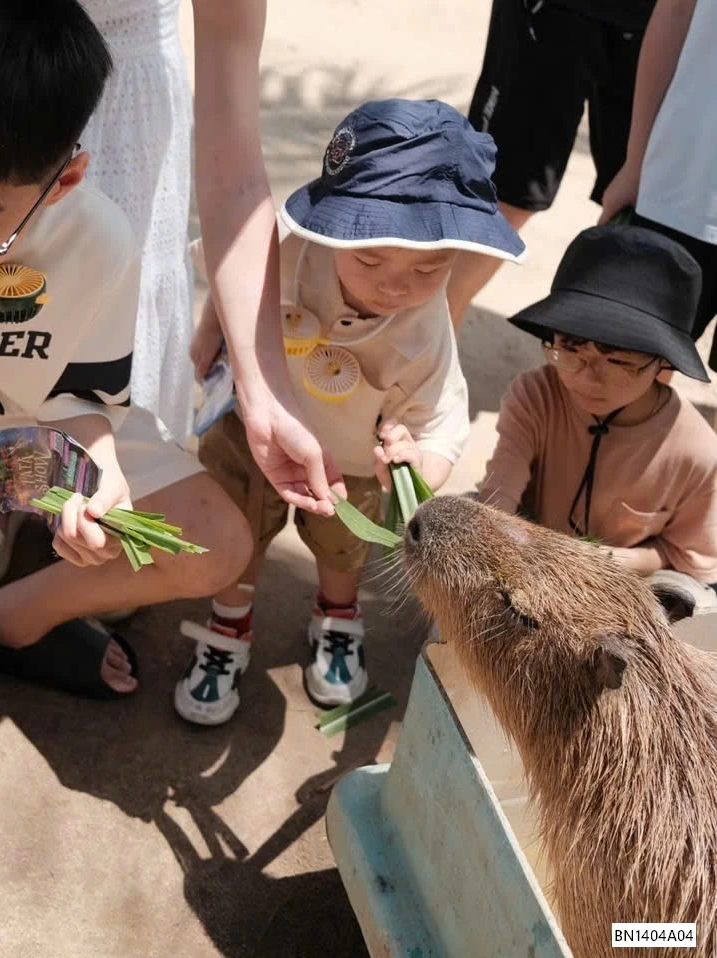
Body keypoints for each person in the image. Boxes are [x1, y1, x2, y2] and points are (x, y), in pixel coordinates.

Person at [0, 0, 251, 826]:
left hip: (7, 445)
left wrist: (97, 471)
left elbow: (83, 401)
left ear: (65, 178)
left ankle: (3, 620)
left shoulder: (98, 241)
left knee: (217, 545)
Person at [0, 0, 347, 588]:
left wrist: (265, 393)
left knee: (96, 325)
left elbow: (234, 173)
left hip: (123, 101)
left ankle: (67, 497)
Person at [177, 99, 525, 725]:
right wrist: (211, 329)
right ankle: (228, 620)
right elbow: (238, 280)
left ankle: (337, 616)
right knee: (236, 526)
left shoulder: (427, 333)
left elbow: (443, 427)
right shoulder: (289, 245)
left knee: (343, 550)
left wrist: (418, 462)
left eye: (429, 267)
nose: (397, 284)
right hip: (248, 424)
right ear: (333, 225)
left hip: (349, 463)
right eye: (369, 258)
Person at [477, 225, 717, 610]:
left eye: (619, 360)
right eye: (569, 348)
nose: (587, 378)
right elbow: (497, 499)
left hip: (620, 592)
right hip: (524, 562)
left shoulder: (696, 451)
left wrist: (608, 562)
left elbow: (689, 556)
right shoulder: (536, 395)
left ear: (662, 362)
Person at [446, 0, 656, 329]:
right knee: (502, 192)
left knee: (651, 216)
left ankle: (644, 375)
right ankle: (422, 352)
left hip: (669, 19)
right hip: (549, 11)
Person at [599, 0, 717, 377]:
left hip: (681, 189)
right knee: (620, 378)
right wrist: (636, 167)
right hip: (684, 187)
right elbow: (676, 10)